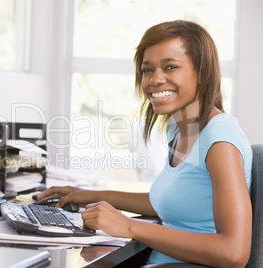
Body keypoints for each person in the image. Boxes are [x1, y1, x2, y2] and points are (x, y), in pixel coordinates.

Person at [38, 20, 253, 267]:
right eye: (147, 70)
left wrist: (128, 225)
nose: (154, 80)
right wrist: (91, 195)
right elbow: (174, 200)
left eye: (170, 67)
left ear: (202, 74)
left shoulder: (219, 140)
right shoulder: (180, 128)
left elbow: (234, 253)